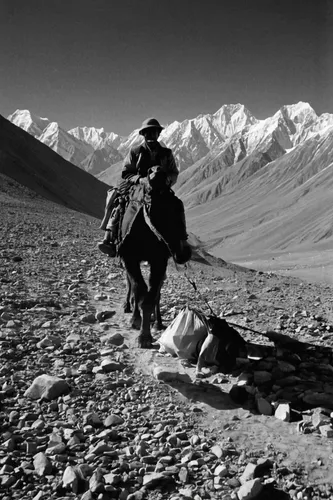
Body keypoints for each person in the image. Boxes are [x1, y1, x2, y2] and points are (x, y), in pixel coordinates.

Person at [98, 117, 190, 262]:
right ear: (143, 134)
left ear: (158, 134)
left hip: (161, 189)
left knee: (177, 205)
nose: (151, 136)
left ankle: (182, 242)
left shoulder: (167, 153)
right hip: (138, 188)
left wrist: (167, 180)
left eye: (154, 133)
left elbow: (173, 172)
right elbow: (126, 172)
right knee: (119, 203)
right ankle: (109, 238)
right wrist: (140, 180)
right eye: (148, 133)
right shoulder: (135, 152)